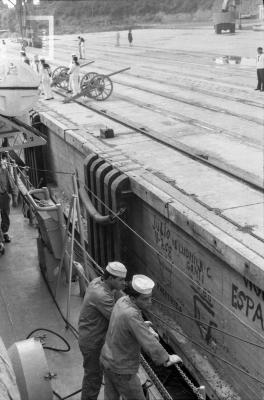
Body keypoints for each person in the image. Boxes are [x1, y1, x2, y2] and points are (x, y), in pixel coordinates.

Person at [100, 274, 182, 400]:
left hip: (107, 359)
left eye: (150, 298)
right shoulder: (131, 314)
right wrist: (166, 358)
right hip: (122, 369)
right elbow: (148, 341)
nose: (149, 302)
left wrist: (142, 324)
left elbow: (126, 324)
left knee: (111, 397)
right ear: (133, 298)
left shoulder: (123, 301)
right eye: (145, 299)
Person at [78, 261, 127, 400]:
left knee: (100, 374)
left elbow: (117, 294)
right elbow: (118, 321)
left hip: (95, 337)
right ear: (111, 278)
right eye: (121, 280)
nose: (124, 283)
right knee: (93, 378)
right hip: (93, 343)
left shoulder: (98, 282)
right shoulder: (101, 295)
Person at [0, 152, 18, 247]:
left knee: (5, 216)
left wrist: (15, 198)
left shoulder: (4, 171)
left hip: (3, 196)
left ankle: (5, 232)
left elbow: (12, 185)